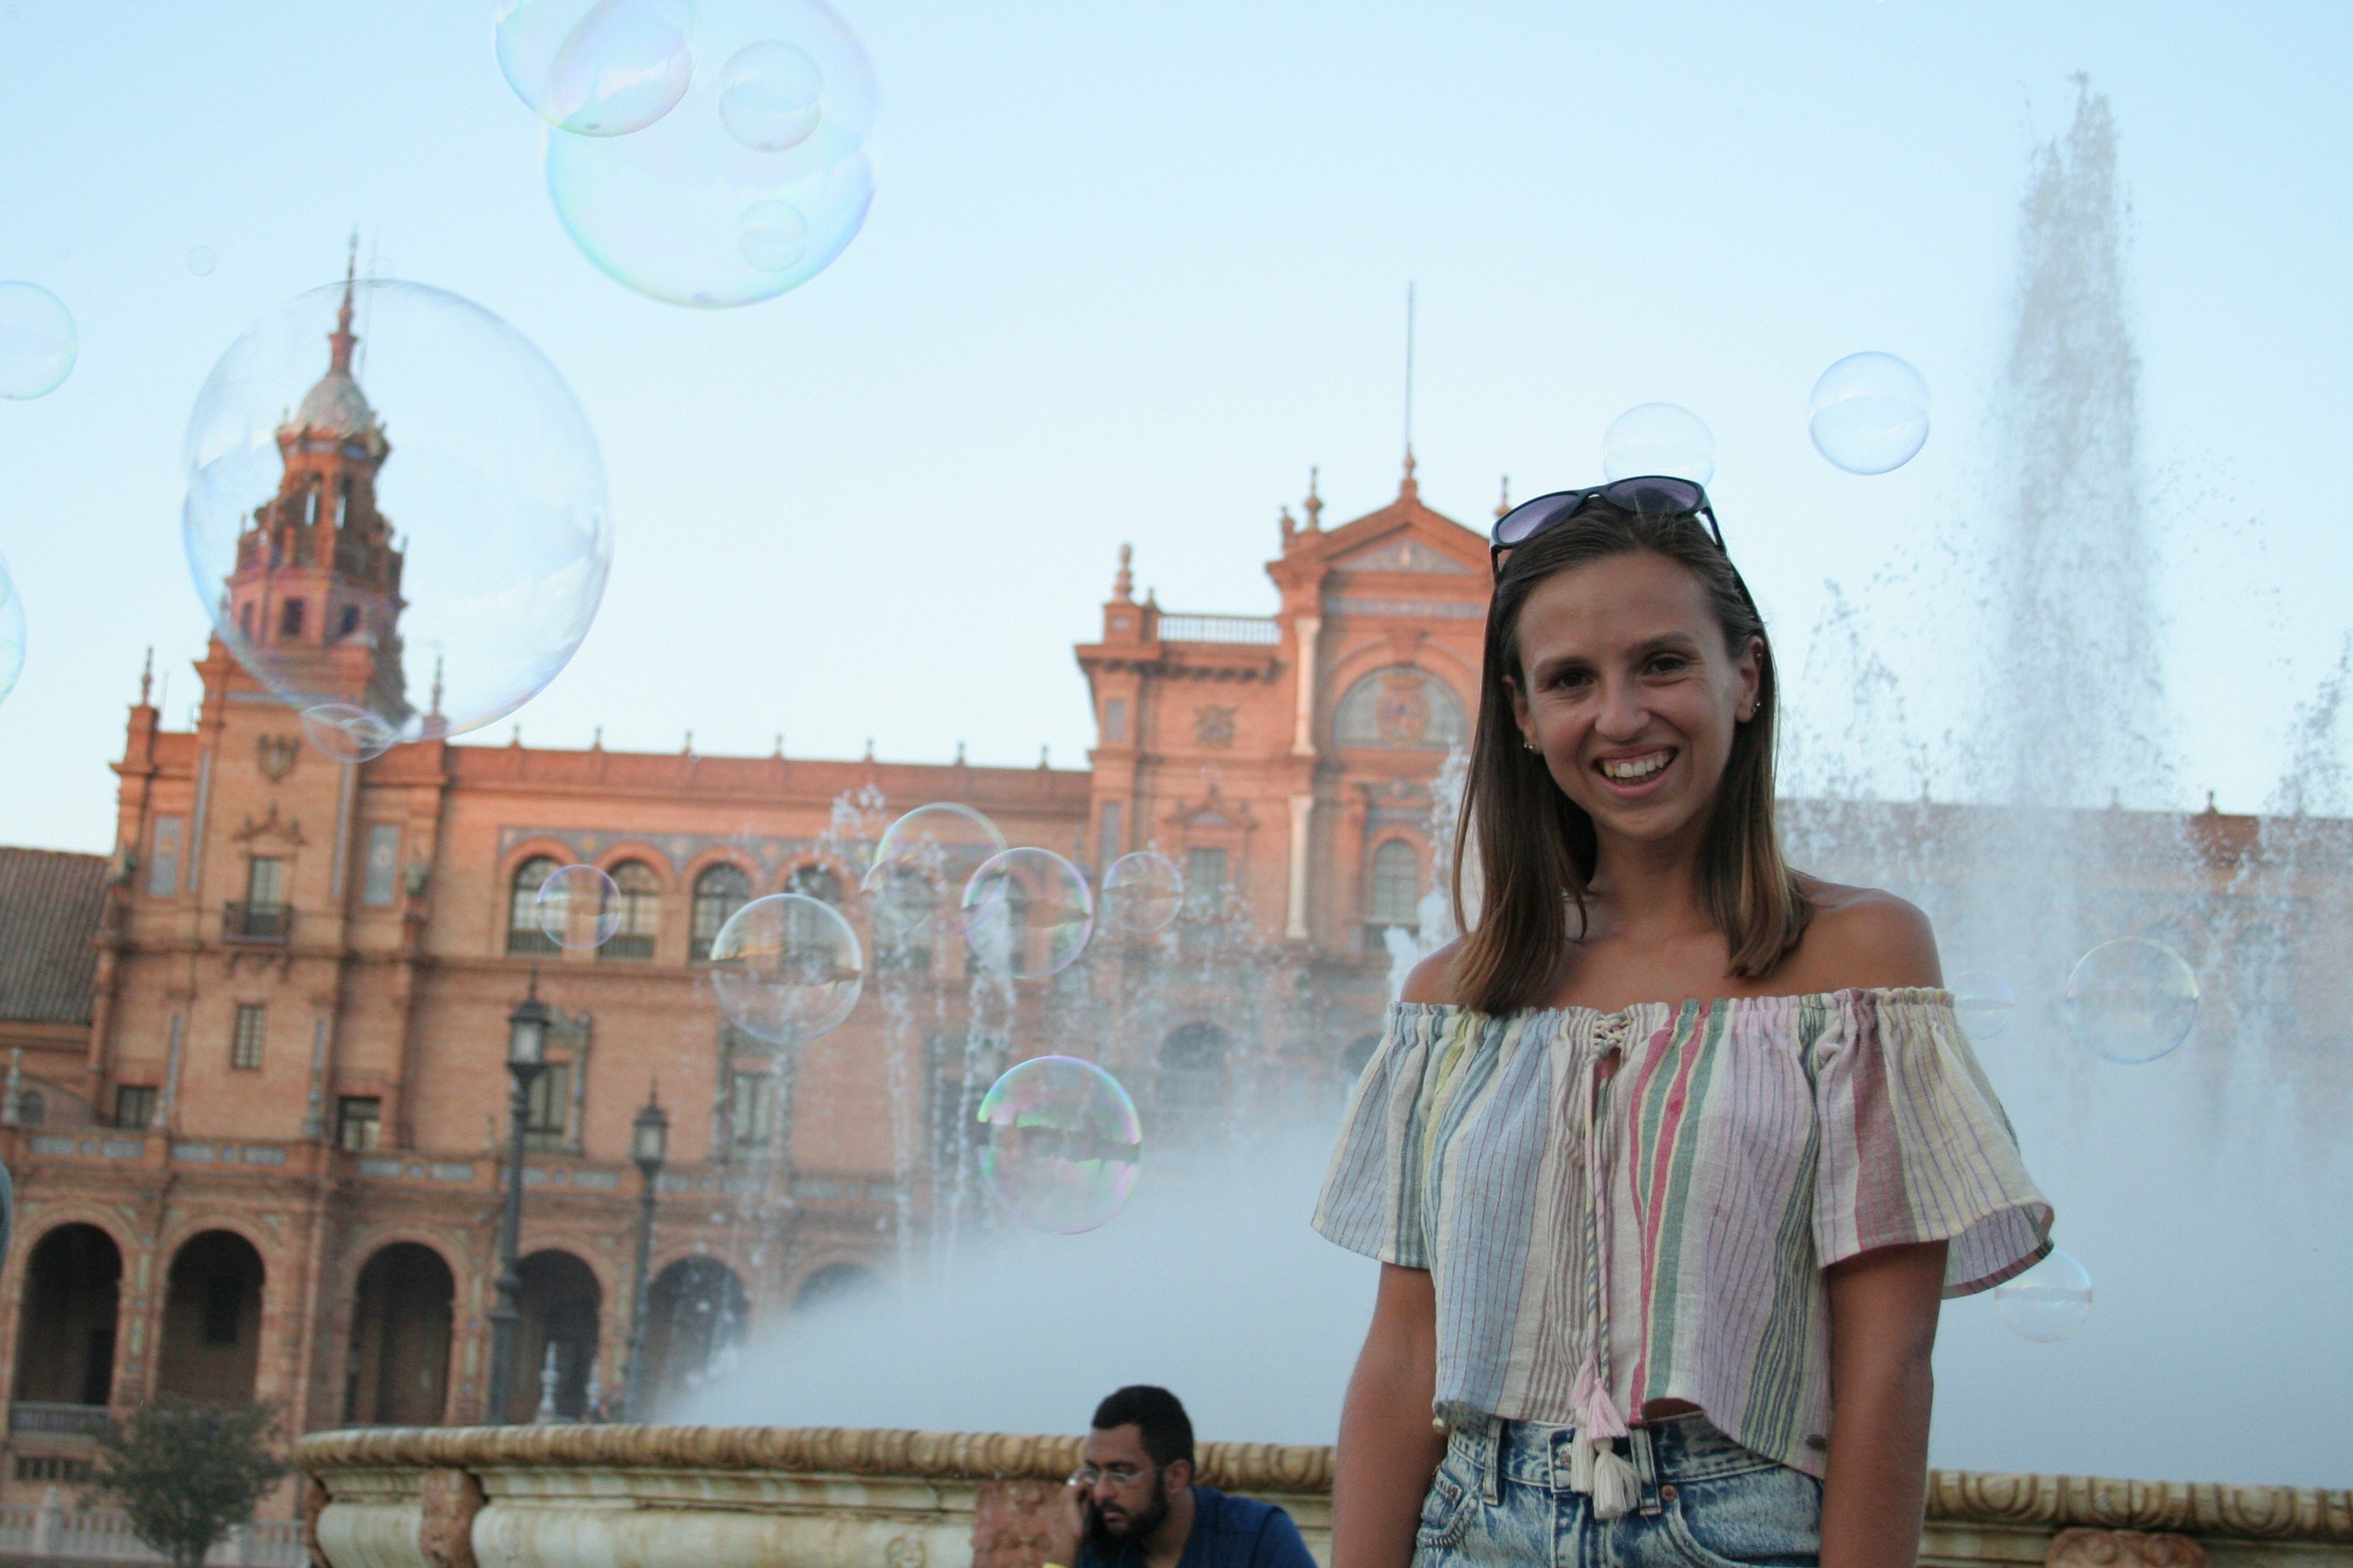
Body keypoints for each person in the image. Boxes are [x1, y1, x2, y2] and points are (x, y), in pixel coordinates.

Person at [1313, 478, 2053, 1568]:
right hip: (1472, 1526)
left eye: (1660, 662)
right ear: (1521, 719)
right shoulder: (1451, 1001)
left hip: (1738, 1528)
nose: (1618, 716)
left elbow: (1885, 1365)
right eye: (1569, 680)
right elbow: (1400, 1358)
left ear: (1742, 675)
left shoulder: (1861, 966)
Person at [1043, 1385, 1317, 1568]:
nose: (1102, 1492)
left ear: (1175, 1477)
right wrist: (1063, 1552)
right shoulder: (1101, 1547)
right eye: (1093, 1473)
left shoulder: (1256, 1538)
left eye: (1120, 1474)